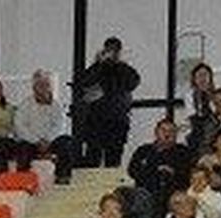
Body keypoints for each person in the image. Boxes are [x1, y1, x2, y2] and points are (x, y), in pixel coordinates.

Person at [75, 38, 141, 167]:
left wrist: (119, 64)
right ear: (104, 50)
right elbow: (83, 82)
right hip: (95, 121)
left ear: (119, 52)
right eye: (109, 49)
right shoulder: (96, 68)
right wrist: (99, 63)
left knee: (113, 159)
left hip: (118, 121)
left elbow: (133, 82)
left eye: (115, 50)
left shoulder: (125, 69)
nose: (112, 53)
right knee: (92, 159)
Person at [13, 69, 74, 184]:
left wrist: (47, 141)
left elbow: (60, 126)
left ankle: (63, 177)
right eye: (40, 85)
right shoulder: (24, 105)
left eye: (47, 85)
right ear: (34, 87)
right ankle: (23, 181)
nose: (44, 88)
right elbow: (19, 126)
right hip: (31, 142)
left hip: (51, 142)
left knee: (66, 142)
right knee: (22, 148)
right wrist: (36, 141)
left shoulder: (57, 106)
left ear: (51, 87)